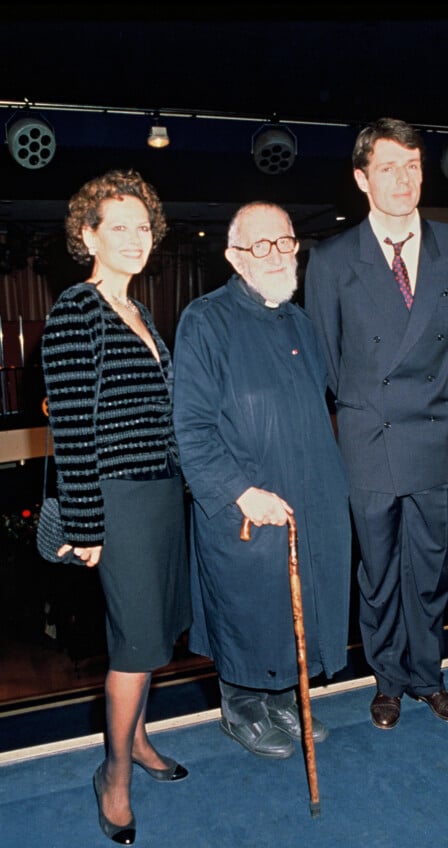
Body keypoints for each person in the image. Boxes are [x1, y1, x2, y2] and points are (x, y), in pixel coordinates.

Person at [305, 118, 448, 730]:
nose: (403, 179)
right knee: (378, 571)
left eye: (412, 165)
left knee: (432, 568)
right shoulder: (330, 260)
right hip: (369, 435)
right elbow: (328, 360)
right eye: (388, 167)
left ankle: (428, 677)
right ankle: (386, 680)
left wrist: (431, 396)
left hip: (436, 431)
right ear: (362, 178)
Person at [41, 168, 191, 845]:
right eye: (118, 226)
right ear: (87, 234)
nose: (135, 238)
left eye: (143, 227)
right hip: (117, 503)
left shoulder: (140, 312)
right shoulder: (78, 309)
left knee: (154, 635)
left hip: (160, 494)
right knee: (132, 646)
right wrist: (85, 524)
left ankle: (141, 739)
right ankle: (116, 776)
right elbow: (72, 426)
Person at [172, 201, 351, 759]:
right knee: (248, 606)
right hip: (244, 499)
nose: (275, 255)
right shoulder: (205, 320)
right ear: (234, 257)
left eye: (284, 242)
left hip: (308, 494)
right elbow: (190, 428)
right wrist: (242, 493)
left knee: (291, 607)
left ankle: (282, 701)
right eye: (259, 245)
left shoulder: (300, 320)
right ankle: (243, 709)